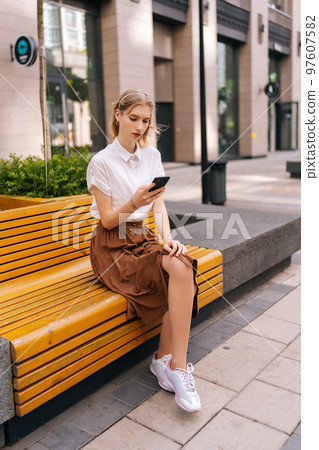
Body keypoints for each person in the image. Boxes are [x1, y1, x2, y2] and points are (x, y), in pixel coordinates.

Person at [86, 89, 201, 413]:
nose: (139, 126)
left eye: (145, 120)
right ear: (118, 115)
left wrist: (167, 239)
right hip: (112, 246)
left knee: (180, 263)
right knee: (170, 272)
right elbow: (108, 220)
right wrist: (135, 202)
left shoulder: (151, 156)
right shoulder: (102, 162)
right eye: (133, 118)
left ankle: (172, 365)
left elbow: (160, 206)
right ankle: (168, 364)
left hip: (144, 238)